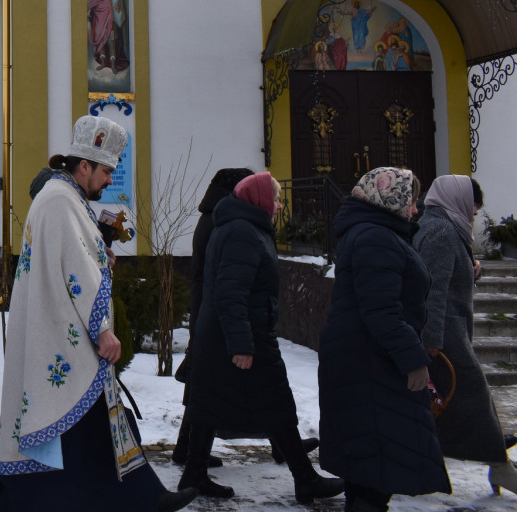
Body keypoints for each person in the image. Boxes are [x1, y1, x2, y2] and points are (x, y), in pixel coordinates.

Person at [0, 114, 195, 512]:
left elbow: (78, 260)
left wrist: (102, 256)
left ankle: (145, 497)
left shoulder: (61, 198)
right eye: (105, 171)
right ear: (83, 165)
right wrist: (102, 329)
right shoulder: (61, 202)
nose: (108, 180)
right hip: (64, 339)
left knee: (91, 423)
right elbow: (76, 274)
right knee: (75, 424)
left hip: (58, 336)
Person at [181, 172, 342, 503]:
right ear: (259, 199)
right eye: (277, 197)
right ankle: (305, 479)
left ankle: (194, 474)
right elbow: (230, 292)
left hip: (229, 334)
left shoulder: (244, 227)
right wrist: (241, 344)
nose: (280, 204)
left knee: (210, 404)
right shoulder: (242, 231)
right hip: (243, 336)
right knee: (276, 404)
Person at [319, 167, 450, 512]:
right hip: (372, 363)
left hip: (366, 358)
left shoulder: (374, 232)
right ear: (390, 196)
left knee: (369, 459)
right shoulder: (376, 237)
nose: (416, 208)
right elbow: (381, 310)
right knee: (377, 461)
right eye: (411, 199)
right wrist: (413, 359)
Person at [413, 175, 517, 495]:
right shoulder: (442, 232)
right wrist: (431, 340)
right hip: (445, 335)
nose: (474, 211)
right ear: (457, 198)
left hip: (447, 331)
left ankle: (486, 451)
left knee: (446, 403)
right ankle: (499, 463)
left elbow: (446, 278)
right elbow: (433, 292)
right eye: (473, 203)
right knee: (470, 392)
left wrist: (473, 270)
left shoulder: (443, 226)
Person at [171, 167, 252, 467]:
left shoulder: (213, 214)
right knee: (205, 384)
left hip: (206, 307)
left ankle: (187, 449)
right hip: (211, 309)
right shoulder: (220, 219)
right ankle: (188, 453)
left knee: (204, 382)